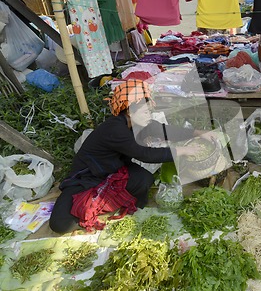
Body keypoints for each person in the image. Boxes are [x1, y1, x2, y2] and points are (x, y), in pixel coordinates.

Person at [49, 79, 205, 234]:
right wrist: (181, 151)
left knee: (144, 179)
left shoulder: (136, 124)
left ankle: (109, 202)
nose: (149, 115)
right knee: (60, 224)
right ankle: (99, 204)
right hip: (89, 176)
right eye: (145, 111)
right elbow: (145, 154)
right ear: (129, 111)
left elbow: (162, 129)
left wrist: (196, 133)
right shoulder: (115, 129)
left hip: (113, 171)